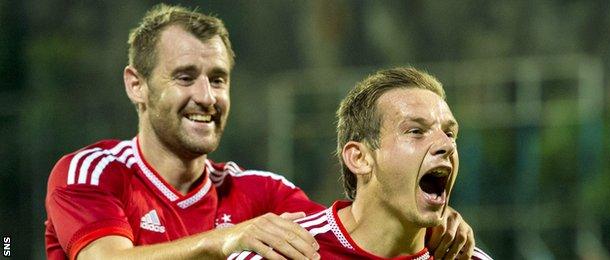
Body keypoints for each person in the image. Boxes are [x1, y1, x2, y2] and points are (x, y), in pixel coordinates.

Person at [44, 4, 478, 260]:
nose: (206, 96)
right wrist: (226, 240)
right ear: (136, 84)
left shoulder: (264, 192)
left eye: (217, 79)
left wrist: (422, 224)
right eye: (184, 77)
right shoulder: (92, 172)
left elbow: (348, 233)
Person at [230, 67, 493, 260]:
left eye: (450, 133)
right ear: (360, 158)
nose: (446, 145)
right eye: (415, 131)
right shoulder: (283, 252)